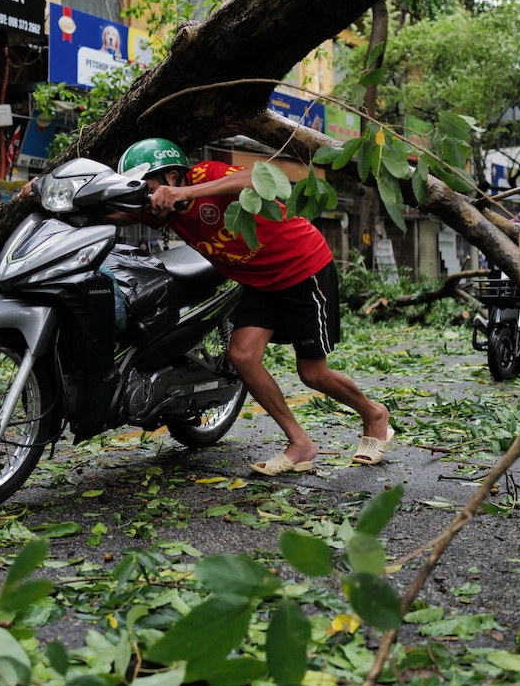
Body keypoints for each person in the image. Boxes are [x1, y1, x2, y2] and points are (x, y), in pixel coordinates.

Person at [67, 138, 391, 476]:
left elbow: (256, 177)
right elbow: (116, 213)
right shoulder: (163, 209)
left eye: (145, 183)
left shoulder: (207, 175)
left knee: (312, 373)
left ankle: (373, 414)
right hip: (260, 282)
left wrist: (187, 195)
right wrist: (54, 197)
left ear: (172, 176)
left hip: (302, 268)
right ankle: (300, 443)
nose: (143, 192)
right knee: (243, 357)